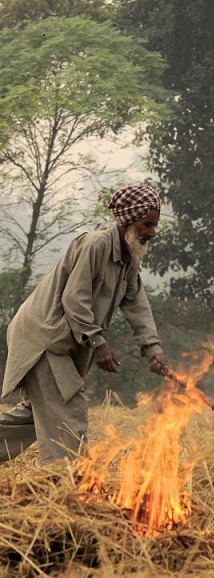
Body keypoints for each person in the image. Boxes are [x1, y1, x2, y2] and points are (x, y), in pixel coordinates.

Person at [0, 186, 168, 466]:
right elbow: (74, 298)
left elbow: (137, 304)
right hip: (45, 338)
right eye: (147, 224)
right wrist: (98, 342)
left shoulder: (130, 257)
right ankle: (65, 481)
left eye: (154, 225)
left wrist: (153, 350)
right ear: (127, 220)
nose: (152, 232)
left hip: (59, 341)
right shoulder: (95, 245)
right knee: (68, 406)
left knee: (37, 416)